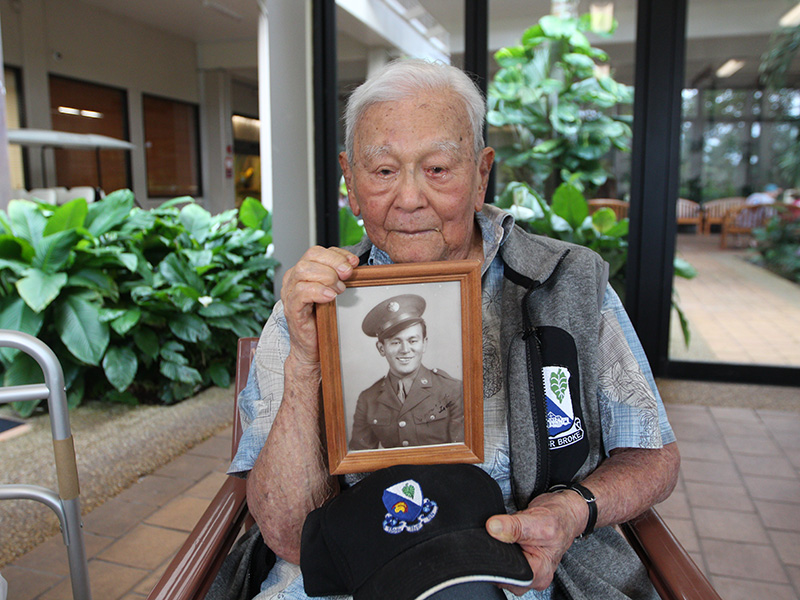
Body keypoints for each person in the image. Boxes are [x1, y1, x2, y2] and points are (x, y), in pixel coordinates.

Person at [230, 58, 680, 600]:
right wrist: (305, 363)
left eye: (439, 168)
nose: (411, 198)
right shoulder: (314, 301)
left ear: (481, 173)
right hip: (360, 570)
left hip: (527, 568)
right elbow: (286, 533)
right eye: (383, 171)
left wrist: (570, 511)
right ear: (350, 181)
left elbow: (653, 454)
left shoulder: (565, 282)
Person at [349, 294, 464, 450]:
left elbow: (462, 458)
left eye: (412, 341)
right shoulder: (368, 399)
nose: (405, 350)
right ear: (381, 349)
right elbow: (359, 462)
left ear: (424, 344)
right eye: (395, 342)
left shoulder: (453, 390)